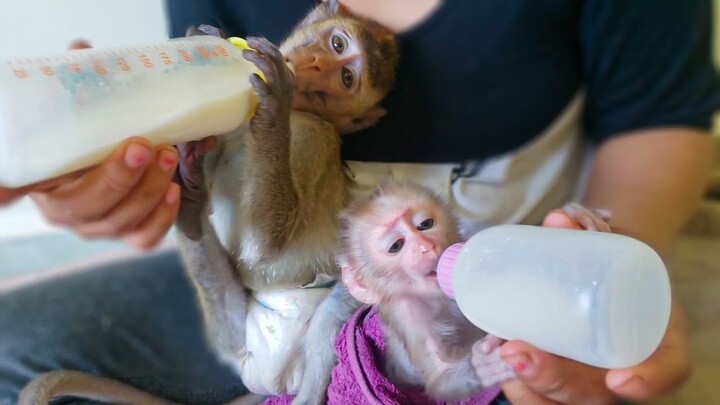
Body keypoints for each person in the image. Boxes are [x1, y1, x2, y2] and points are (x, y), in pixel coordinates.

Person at [0, 0, 717, 404]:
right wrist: (120, 169)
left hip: (487, 288)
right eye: (332, 43)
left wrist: (595, 265)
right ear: (320, 14)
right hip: (264, 294)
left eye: (346, 77)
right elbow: (206, 152)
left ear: (363, 118)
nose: (321, 65)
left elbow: (657, 114)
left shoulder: (308, 139)